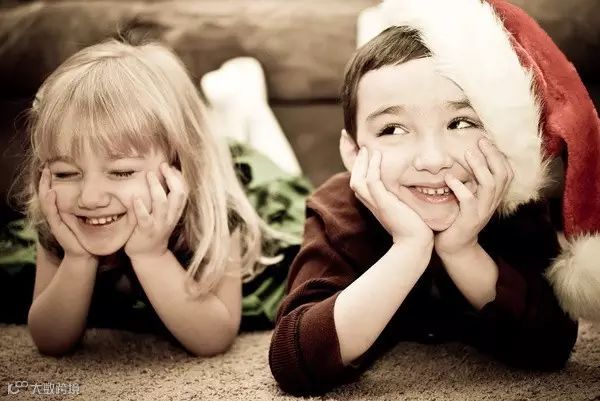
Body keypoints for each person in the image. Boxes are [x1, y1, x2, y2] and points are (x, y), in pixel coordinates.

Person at [269, 0, 600, 394]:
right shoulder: (338, 211)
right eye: (393, 129)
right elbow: (294, 360)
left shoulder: (515, 204)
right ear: (354, 152)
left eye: (460, 123)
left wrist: (461, 251)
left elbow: (551, 346)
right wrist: (409, 248)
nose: (432, 160)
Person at [5, 39, 309, 356]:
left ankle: (245, 106)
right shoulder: (59, 212)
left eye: (121, 172)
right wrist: (77, 258)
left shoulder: (217, 209)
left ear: (176, 169)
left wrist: (150, 255)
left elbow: (214, 339)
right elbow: (51, 341)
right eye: (67, 173)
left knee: (279, 172)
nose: (90, 198)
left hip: (258, 205)